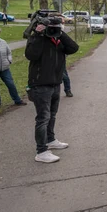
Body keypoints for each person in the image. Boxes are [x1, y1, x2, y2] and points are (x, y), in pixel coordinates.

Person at [25, 16, 79, 163]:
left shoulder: (58, 40)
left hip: (55, 83)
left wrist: (60, 32)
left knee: (52, 114)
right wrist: (37, 34)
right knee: (43, 118)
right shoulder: (38, 39)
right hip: (40, 84)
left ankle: (50, 139)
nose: (53, 29)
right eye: (52, 27)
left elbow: (74, 48)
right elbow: (30, 55)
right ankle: (41, 151)